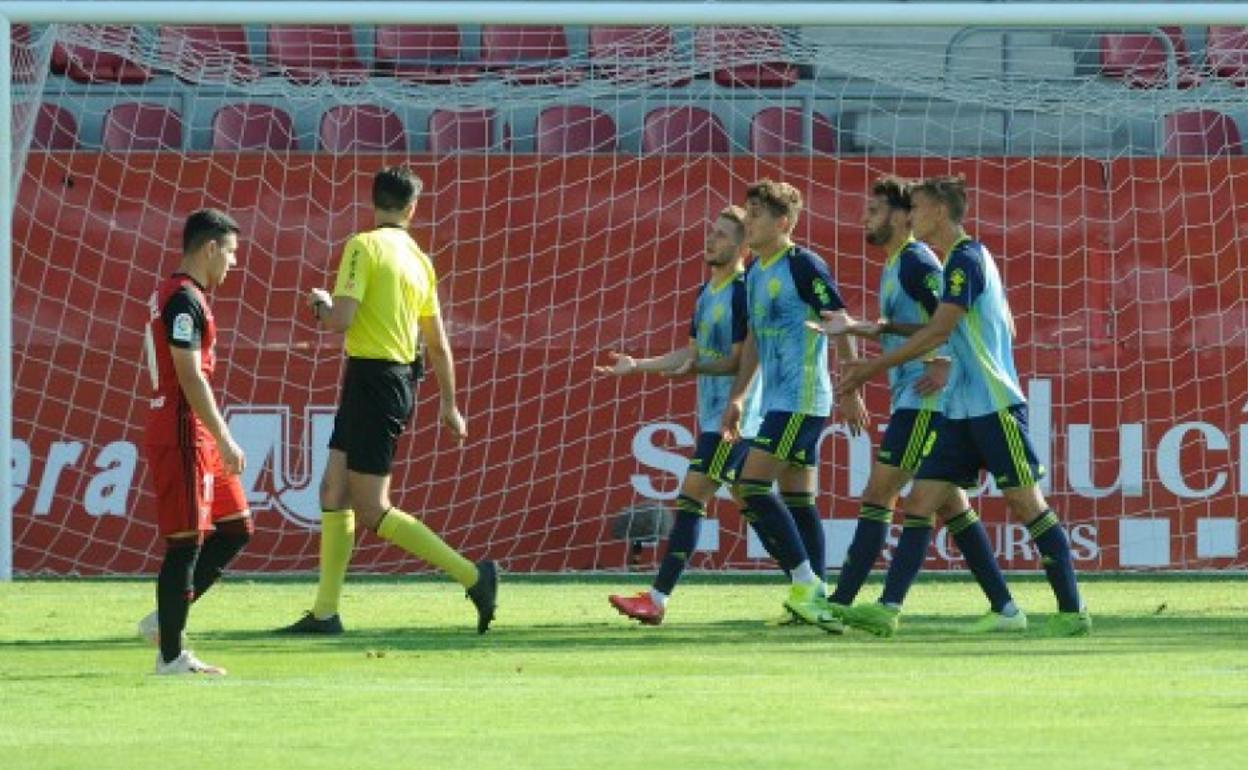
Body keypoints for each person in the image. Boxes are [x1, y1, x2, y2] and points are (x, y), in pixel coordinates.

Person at [835, 175, 1091, 637]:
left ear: (937, 211)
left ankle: (1072, 611)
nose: (911, 217)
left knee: (1025, 504)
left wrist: (871, 368)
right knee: (920, 502)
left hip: (993, 405)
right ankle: (888, 608)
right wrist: (874, 332)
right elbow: (950, 327)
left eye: (916, 208)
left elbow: (938, 331)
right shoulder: (955, 261)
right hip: (957, 411)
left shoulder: (966, 259)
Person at [278, 166, 497, 635]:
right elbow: (437, 342)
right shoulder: (419, 260)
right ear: (412, 208)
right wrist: (450, 404)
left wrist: (319, 305)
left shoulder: (363, 246)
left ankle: (474, 576)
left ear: (373, 201)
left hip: (375, 381)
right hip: (385, 380)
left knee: (372, 509)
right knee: (332, 491)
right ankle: (325, 613)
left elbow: (340, 320)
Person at [812, 176, 1026, 635]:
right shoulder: (896, 264)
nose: (865, 219)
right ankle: (1005, 607)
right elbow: (918, 325)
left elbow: (947, 323)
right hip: (915, 397)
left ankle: (842, 602)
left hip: (927, 400)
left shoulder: (916, 262)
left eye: (875, 211)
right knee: (949, 507)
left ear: (901, 217)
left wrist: (944, 363)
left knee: (880, 493)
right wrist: (861, 328)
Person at [597, 205, 771, 625]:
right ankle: (810, 585)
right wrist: (637, 366)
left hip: (736, 418)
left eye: (723, 235)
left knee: (692, 496)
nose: (711, 240)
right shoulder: (706, 292)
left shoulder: (743, 291)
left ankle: (657, 599)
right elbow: (690, 354)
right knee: (756, 506)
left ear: (744, 247)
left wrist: (699, 372)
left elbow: (740, 360)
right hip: (714, 416)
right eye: (711, 231)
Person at [720, 179, 867, 632]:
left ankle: (804, 584)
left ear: (783, 222)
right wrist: (739, 397)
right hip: (777, 401)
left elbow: (838, 321)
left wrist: (851, 387)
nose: (748, 223)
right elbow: (754, 342)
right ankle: (814, 600)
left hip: (802, 398)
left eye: (757, 215)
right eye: (747, 214)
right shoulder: (754, 273)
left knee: (749, 484)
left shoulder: (803, 264)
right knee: (800, 501)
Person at [138, 208, 250, 675]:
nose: (233, 263)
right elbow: (188, 375)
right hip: (183, 430)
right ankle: (171, 657)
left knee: (236, 528)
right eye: (230, 253)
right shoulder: (183, 299)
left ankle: (163, 621)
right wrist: (225, 437)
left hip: (195, 430)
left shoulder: (182, 295)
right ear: (210, 248)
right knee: (185, 542)